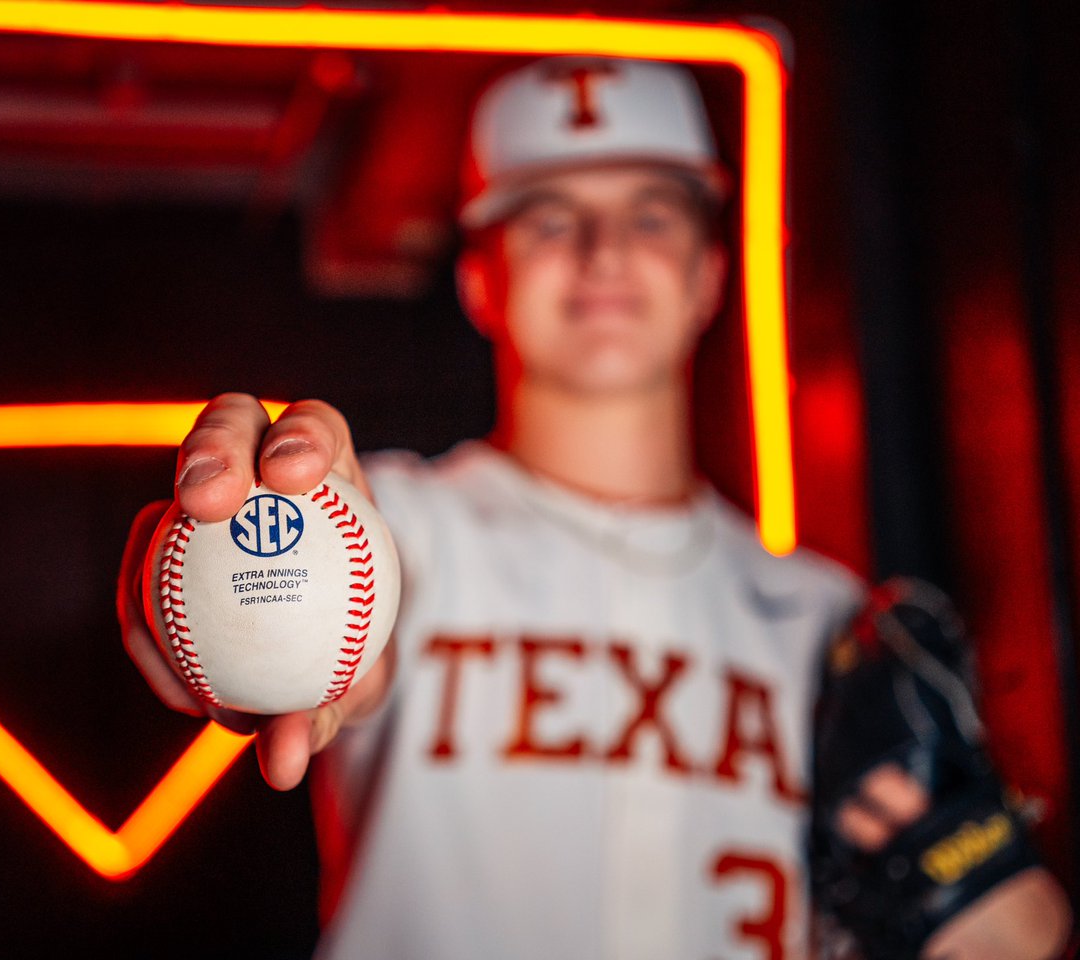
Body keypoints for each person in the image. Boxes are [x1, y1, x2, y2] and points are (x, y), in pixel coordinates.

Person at [120, 57, 1071, 959]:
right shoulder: (396, 530)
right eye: (548, 219)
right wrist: (213, 593)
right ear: (480, 279)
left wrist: (1023, 926)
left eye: (651, 216)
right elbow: (337, 647)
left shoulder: (828, 621)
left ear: (709, 274)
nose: (604, 250)